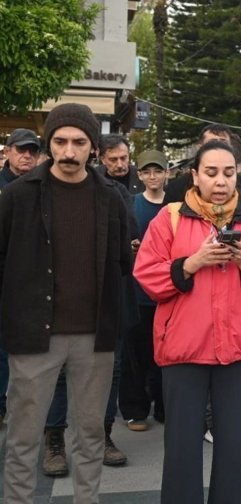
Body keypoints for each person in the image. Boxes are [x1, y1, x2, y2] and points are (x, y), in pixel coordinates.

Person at [134, 140, 241, 504]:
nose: (221, 181)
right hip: (183, 349)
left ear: (238, 175)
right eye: (212, 172)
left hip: (240, 350)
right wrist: (193, 261)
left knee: (234, 449)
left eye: (229, 173)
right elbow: (147, 275)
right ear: (195, 175)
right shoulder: (169, 217)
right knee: (182, 449)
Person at [0, 103, 131, 504]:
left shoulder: (112, 196)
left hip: (95, 336)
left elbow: (123, 263)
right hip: (34, 336)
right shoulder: (18, 196)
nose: (68, 151)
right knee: (23, 438)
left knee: (90, 434)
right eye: (60, 141)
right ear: (48, 143)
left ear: (93, 147)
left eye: (78, 142)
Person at [119, 150, 170, 432]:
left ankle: (164, 407)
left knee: (165, 355)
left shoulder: (174, 207)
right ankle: (135, 410)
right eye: (147, 172)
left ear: (166, 174)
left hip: (167, 293)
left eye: (158, 171)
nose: (153, 176)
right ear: (140, 175)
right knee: (135, 355)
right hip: (137, 292)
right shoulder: (131, 203)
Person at [0, 128, 41, 426]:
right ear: (8, 152)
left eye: (32, 151)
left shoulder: (41, 188)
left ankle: (24, 412)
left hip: (29, 281)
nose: (26, 156)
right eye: (21, 150)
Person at [164, 124, 241, 205]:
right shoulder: (176, 190)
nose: (220, 182)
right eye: (211, 173)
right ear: (200, 147)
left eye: (223, 143)